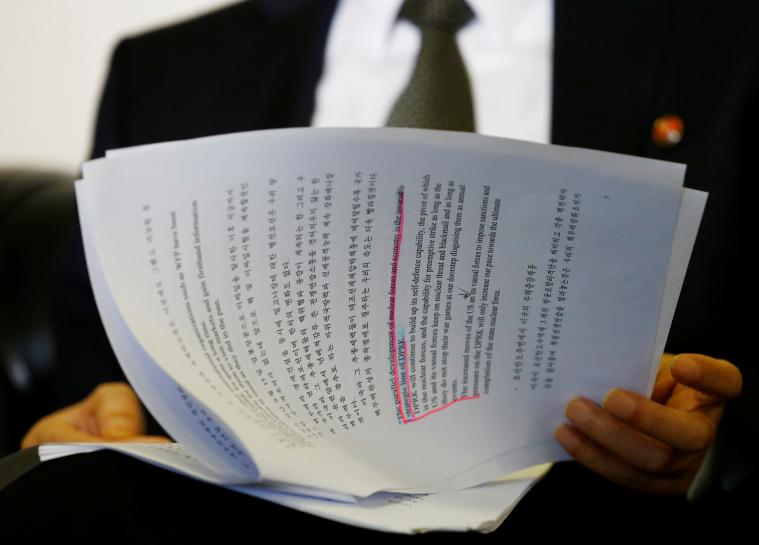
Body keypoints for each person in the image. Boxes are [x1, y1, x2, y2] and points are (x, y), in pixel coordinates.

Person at [4, 0, 756, 536]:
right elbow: (96, 367)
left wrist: (695, 453)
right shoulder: (165, 70)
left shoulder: (720, 40)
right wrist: (80, 433)